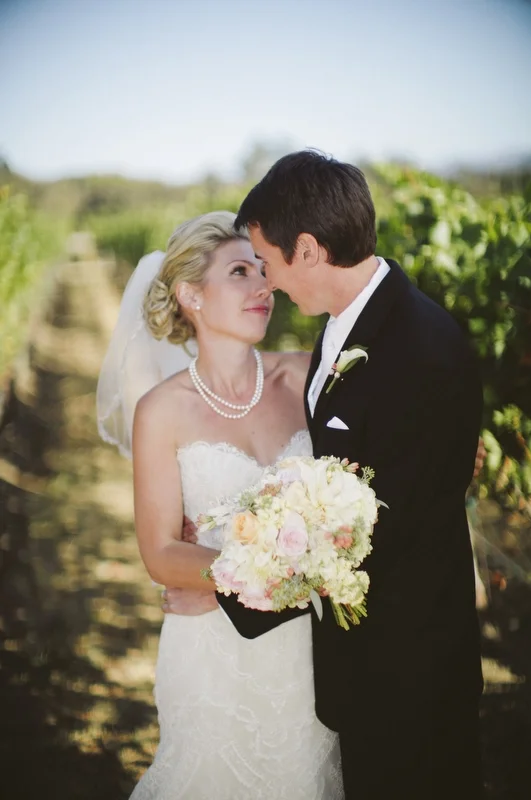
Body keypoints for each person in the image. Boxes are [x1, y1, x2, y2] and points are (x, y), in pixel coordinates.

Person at [165, 152, 485, 799]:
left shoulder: (418, 348)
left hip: (406, 674)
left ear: (307, 249)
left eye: (269, 262)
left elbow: (377, 534)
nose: (269, 283)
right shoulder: (347, 327)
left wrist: (227, 587)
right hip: (360, 668)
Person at [97, 210, 344, 799]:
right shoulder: (162, 411)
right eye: (239, 271)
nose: (264, 286)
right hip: (212, 652)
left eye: (263, 270)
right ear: (191, 295)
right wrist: (255, 572)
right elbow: (160, 554)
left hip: (312, 650)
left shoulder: (308, 377)